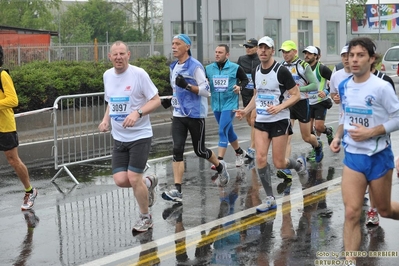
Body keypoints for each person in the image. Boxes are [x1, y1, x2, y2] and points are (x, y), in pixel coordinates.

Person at [330, 37, 399, 262]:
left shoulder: (381, 87)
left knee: (385, 209)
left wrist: (371, 132)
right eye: (351, 55)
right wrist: (338, 136)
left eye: (360, 55)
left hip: (379, 157)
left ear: (372, 59)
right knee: (351, 213)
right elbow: (346, 117)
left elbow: (397, 117)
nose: (354, 60)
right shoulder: (344, 85)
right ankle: (350, 261)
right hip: (354, 158)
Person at [234, 36, 309, 213]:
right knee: (260, 158)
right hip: (261, 121)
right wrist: (245, 110)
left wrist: (280, 107)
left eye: (266, 48)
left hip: (280, 121)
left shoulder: (281, 71)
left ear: (272, 51)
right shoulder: (256, 70)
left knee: (279, 162)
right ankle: (270, 198)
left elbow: (296, 95)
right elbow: (257, 95)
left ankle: (298, 165)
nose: (263, 51)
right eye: (260, 48)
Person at [98, 41, 161, 233]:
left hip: (140, 136)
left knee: (134, 178)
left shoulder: (138, 74)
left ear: (129, 55)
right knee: (120, 180)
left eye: (122, 54)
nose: (118, 57)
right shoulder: (107, 75)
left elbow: (156, 100)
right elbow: (111, 101)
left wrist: (138, 113)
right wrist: (105, 120)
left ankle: (145, 217)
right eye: (115, 54)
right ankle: (148, 183)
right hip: (119, 137)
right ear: (109, 57)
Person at [161, 34, 230, 203]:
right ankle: (177, 190)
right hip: (178, 114)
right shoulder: (173, 66)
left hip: (195, 114)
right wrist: (170, 99)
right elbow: (177, 90)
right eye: (172, 43)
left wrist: (187, 85)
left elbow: (206, 91)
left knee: (200, 150)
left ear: (187, 47)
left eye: (178, 44)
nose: (174, 46)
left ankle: (221, 167)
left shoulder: (195, 66)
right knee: (177, 149)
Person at [276, 40, 323, 184]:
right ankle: (286, 168)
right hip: (287, 104)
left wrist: (297, 90)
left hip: (302, 103)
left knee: (307, 137)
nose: (285, 54)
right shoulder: (281, 67)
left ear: (295, 52)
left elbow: (315, 85)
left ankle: (318, 145)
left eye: (287, 51)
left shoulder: (303, 66)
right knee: (286, 137)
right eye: (283, 52)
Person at [0, 45, 38, 211]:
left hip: (5, 126)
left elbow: (13, 100)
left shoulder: (2, 75)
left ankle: (30, 191)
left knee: (13, 160)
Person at [205, 44, 249, 167]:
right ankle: (239, 152)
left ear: (227, 54)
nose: (217, 54)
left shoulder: (235, 68)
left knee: (222, 130)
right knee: (228, 131)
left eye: (220, 52)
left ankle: (220, 161)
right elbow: (202, 81)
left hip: (230, 104)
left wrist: (239, 87)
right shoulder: (208, 69)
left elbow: (245, 80)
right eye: (216, 52)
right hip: (216, 105)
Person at [302, 46, 334, 160]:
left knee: (319, 127)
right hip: (307, 102)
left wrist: (326, 91)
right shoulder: (302, 68)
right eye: (305, 53)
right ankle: (316, 149)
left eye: (309, 54)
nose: (306, 55)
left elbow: (335, 80)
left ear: (316, 56)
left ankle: (328, 131)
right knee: (309, 131)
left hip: (320, 102)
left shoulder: (321, 69)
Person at [237, 38, 261, 163]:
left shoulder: (260, 59)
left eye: (251, 47)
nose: (248, 49)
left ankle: (252, 149)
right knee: (250, 122)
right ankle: (260, 139)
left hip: (257, 94)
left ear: (257, 48)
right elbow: (237, 75)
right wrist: (238, 86)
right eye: (246, 46)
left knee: (254, 119)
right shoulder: (242, 59)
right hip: (246, 94)